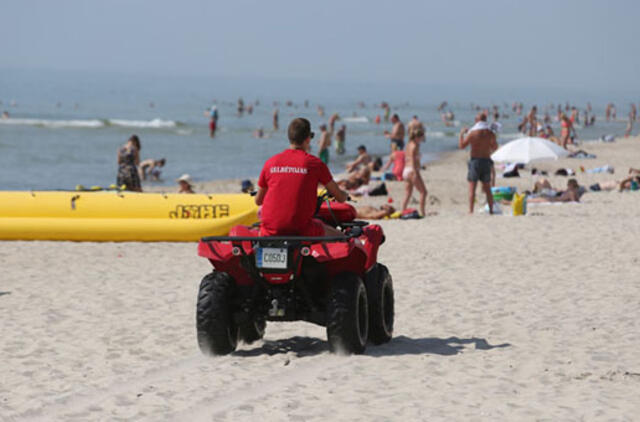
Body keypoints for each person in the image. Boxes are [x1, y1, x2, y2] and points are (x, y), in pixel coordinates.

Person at [255, 118, 348, 237]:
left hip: (269, 230)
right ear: (308, 138)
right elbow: (339, 197)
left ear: (289, 137)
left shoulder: (270, 163)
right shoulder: (315, 164)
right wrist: (344, 195)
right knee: (341, 237)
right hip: (301, 230)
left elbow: (258, 201)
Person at [458, 114, 498, 214]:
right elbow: (495, 147)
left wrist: (461, 134)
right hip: (486, 160)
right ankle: (491, 210)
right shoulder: (490, 133)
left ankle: (471, 210)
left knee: (472, 187)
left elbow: (462, 146)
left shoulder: (473, 133)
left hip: (475, 161)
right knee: (487, 188)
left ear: (477, 120)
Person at [400, 124, 427, 216]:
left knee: (408, 193)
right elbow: (412, 159)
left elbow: (407, 158)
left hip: (406, 170)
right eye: (421, 137)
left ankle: (403, 211)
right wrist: (416, 172)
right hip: (412, 170)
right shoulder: (415, 146)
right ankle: (423, 213)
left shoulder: (408, 144)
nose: (422, 139)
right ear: (417, 137)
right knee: (423, 192)